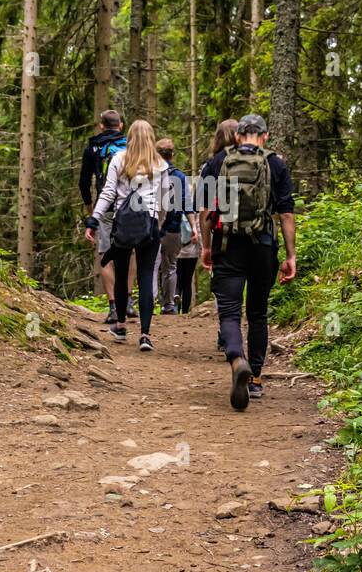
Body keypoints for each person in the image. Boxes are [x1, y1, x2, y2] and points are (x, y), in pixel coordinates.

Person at [199, 114, 296, 410]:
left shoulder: (217, 163)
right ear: (264, 136)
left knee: (229, 313)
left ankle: (236, 359)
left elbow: (204, 211)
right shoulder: (275, 164)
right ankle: (254, 379)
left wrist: (206, 247)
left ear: (239, 136)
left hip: (227, 246)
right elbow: (286, 214)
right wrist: (291, 255)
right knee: (257, 313)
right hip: (263, 247)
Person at [85, 120, 170, 351]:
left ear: (129, 136)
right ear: (151, 138)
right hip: (149, 225)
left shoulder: (118, 159)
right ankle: (145, 335)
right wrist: (158, 225)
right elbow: (164, 201)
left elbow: (108, 193)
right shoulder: (160, 163)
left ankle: (121, 325)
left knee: (122, 276)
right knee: (145, 276)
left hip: (122, 225)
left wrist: (94, 218)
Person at [79, 110, 135, 322]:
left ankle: (113, 306)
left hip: (106, 206)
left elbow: (84, 181)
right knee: (130, 253)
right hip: (130, 207)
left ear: (101, 126)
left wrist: (90, 207)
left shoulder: (92, 148)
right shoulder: (130, 147)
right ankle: (128, 301)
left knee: (105, 254)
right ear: (120, 125)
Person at [204, 119, 239, 348]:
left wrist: (205, 246)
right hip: (254, 231)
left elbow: (204, 207)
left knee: (224, 286)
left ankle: (225, 330)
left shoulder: (212, 163)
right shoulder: (255, 159)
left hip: (222, 232)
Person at [152, 138, 193, 315]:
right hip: (173, 228)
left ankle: (149, 302)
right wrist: (194, 227)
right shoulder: (179, 176)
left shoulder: (149, 174)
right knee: (170, 267)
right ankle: (168, 305)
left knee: (151, 266)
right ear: (172, 155)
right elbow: (186, 203)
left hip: (151, 227)